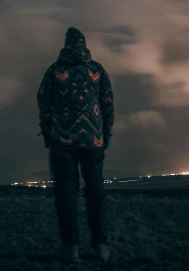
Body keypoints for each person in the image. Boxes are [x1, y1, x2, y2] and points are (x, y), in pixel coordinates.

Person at [37, 26, 114, 264]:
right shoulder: (97, 70)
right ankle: (101, 246)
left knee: (66, 192)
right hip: (93, 139)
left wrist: (49, 131)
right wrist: (105, 133)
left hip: (63, 139)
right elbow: (107, 103)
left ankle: (71, 248)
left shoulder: (55, 70)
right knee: (95, 191)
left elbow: (43, 101)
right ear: (85, 45)